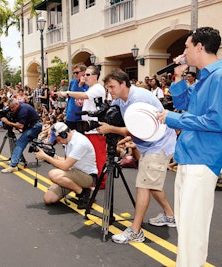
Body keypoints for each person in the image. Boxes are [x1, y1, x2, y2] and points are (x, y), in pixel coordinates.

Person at [157, 27, 222, 267]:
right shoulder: (206, 77)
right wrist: (178, 76)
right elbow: (185, 103)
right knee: (185, 227)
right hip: (190, 157)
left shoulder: (219, 76)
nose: (183, 52)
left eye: (186, 46)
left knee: (193, 230)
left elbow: (217, 121)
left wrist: (172, 118)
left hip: (203, 158)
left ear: (200, 47)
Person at [97, 68, 176, 244]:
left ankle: (135, 231)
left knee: (143, 185)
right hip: (149, 144)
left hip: (158, 145)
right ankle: (170, 216)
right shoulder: (123, 99)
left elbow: (136, 129)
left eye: (112, 86)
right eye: (107, 87)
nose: (110, 91)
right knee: (151, 183)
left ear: (124, 83)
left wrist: (111, 130)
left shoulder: (138, 99)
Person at [58, 65, 107, 189]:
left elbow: (84, 96)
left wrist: (67, 93)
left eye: (87, 75)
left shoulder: (97, 88)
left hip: (96, 129)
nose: (84, 77)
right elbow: (85, 99)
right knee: (90, 156)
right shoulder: (91, 89)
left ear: (95, 76)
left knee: (98, 156)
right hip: (89, 128)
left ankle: (100, 182)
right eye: (84, 74)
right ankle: (93, 180)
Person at [34, 122, 97, 209]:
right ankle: (78, 188)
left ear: (64, 135)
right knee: (48, 199)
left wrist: (46, 157)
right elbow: (67, 161)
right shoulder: (68, 141)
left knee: (53, 174)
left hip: (87, 177)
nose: (58, 142)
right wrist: (51, 155)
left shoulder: (80, 142)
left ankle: (82, 192)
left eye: (58, 139)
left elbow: (65, 166)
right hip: (73, 173)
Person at [1, 98, 42, 173]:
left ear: (17, 104)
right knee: (33, 143)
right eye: (10, 108)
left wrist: (8, 122)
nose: (11, 109)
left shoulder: (23, 110)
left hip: (35, 126)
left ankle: (13, 166)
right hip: (30, 125)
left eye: (13, 107)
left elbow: (20, 126)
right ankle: (49, 154)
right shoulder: (18, 107)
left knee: (20, 143)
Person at [64, 63, 88, 130]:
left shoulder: (88, 83)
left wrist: (80, 85)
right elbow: (69, 97)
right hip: (70, 115)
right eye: (74, 73)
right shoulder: (72, 82)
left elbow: (86, 96)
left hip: (81, 116)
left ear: (84, 72)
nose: (75, 74)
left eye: (77, 73)